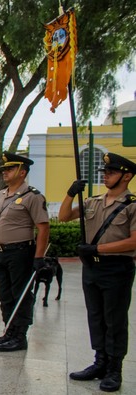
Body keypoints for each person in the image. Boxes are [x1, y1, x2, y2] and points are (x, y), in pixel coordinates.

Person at [58, 153, 136, 392]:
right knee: (95, 316)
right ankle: (99, 362)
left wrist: (98, 248)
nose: (106, 176)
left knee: (114, 320)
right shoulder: (93, 201)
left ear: (127, 176)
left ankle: (114, 369)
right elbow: (63, 217)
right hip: (92, 267)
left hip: (117, 268)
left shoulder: (132, 205)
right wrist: (70, 193)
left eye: (111, 173)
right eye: (105, 173)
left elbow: (134, 241)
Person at [0, 152, 49, 352]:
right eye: (4, 169)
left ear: (23, 172)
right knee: (5, 294)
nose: (5, 172)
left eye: (10, 169)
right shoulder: (2, 194)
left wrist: (39, 257)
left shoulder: (33, 196)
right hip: (0, 252)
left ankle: (20, 336)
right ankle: (9, 331)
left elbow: (43, 228)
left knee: (20, 294)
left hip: (20, 251)